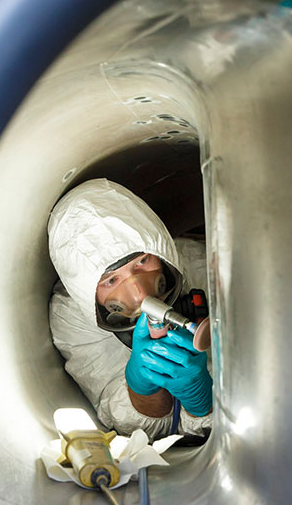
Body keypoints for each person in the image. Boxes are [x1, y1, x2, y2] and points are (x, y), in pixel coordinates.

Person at [48, 179, 212, 439]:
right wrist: (141, 390)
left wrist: (202, 403)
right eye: (112, 280)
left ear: (159, 250)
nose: (140, 293)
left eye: (142, 261)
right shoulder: (71, 315)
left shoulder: (199, 264)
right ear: (87, 288)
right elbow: (137, 434)